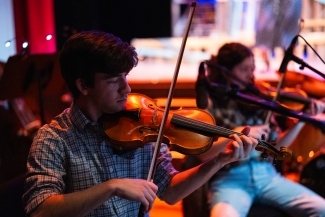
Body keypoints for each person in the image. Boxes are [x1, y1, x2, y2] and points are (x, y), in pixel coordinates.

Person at [21, 31, 258, 217]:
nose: (127, 89)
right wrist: (110, 187)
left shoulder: (141, 126)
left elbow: (172, 191)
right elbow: (41, 210)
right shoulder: (53, 138)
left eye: (126, 76)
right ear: (83, 86)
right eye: (115, 81)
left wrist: (219, 161)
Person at [187, 42, 325, 217]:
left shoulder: (258, 100)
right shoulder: (209, 104)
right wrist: (235, 134)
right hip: (230, 179)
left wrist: (300, 119)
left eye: (252, 69)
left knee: (322, 210)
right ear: (225, 71)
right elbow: (204, 155)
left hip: (267, 176)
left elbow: (277, 147)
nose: (250, 75)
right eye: (244, 69)